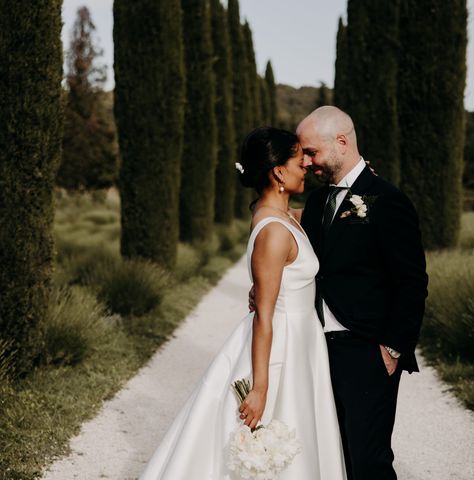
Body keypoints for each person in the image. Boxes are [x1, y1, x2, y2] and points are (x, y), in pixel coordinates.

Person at [139, 127, 347, 479]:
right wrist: (261, 387)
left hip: (302, 340)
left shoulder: (281, 217)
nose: (307, 167)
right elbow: (263, 316)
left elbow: (315, 214)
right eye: (300, 161)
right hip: (283, 343)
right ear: (279, 172)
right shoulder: (274, 231)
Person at [297, 106, 428, 480]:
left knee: (368, 460)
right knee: (334, 455)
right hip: (318, 347)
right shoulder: (318, 202)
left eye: (311, 152)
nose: (306, 162)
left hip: (367, 348)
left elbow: (412, 280)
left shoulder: (387, 199)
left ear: (341, 142)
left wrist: (392, 347)